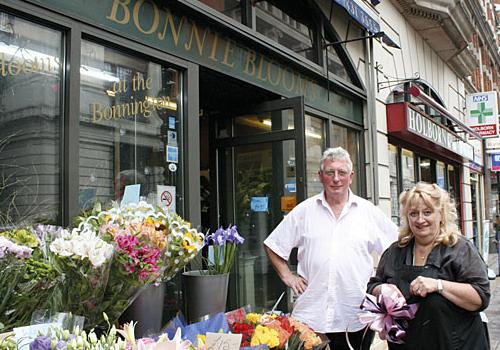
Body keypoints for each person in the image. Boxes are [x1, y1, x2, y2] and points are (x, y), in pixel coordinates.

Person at [263, 147, 398, 350]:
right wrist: (287, 276)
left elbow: (395, 248)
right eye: (330, 172)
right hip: (310, 315)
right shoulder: (304, 211)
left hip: (355, 315)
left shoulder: (368, 212)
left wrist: (384, 286)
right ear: (320, 176)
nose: (336, 179)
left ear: (350, 177)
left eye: (342, 173)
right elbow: (273, 245)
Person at [367, 182, 490, 349]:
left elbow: (480, 297)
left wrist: (438, 285)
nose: (420, 220)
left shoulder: (459, 249)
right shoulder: (395, 252)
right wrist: (382, 290)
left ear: (441, 215)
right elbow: (373, 286)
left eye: (427, 212)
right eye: (413, 213)